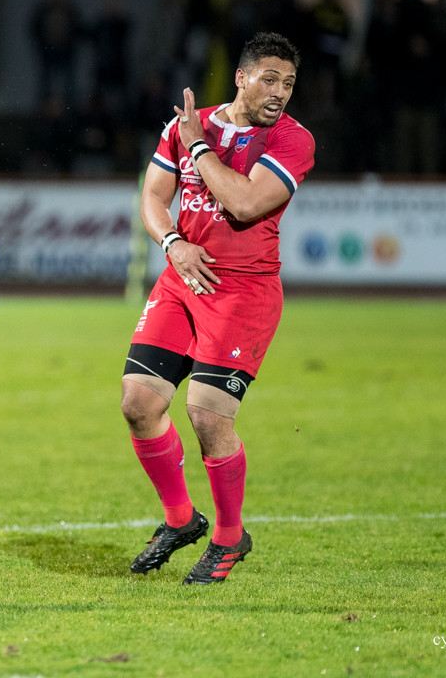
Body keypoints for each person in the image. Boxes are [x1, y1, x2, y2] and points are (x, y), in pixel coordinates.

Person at [122, 32, 314, 585]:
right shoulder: (187, 124)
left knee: (207, 416)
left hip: (244, 292)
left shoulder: (293, 140)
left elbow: (245, 202)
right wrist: (172, 243)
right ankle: (180, 519)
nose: (280, 92)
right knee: (138, 403)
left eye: (289, 83)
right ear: (241, 77)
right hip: (183, 279)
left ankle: (230, 537)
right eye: (269, 79)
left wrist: (199, 147)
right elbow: (153, 197)